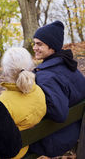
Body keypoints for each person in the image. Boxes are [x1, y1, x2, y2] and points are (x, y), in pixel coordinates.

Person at [29, 20, 85, 157]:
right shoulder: (68, 65)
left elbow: (59, 113)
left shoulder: (46, 76)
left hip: (57, 140)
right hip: (77, 128)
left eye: (39, 44)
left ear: (52, 47)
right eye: (34, 43)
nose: (34, 48)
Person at [0, 47, 46, 159]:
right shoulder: (38, 91)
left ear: (5, 71)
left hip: (15, 154)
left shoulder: (3, 104)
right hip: (27, 146)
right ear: (30, 67)